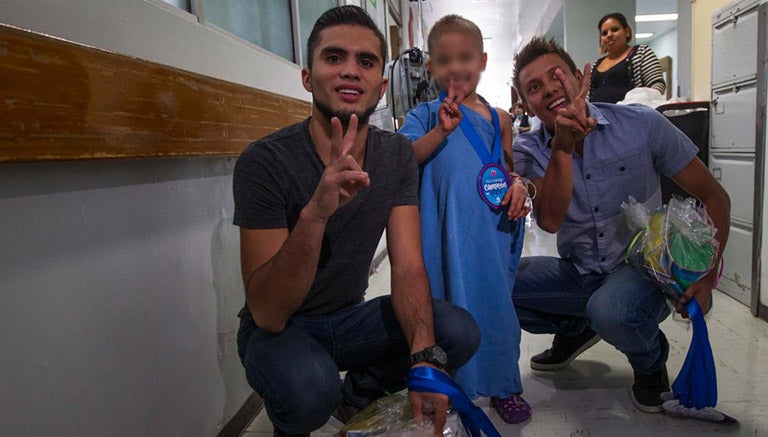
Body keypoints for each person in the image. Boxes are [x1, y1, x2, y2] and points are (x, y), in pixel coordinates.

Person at [233, 6, 480, 436]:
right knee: (309, 390)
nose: (350, 72)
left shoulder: (396, 154)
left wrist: (423, 359)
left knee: (456, 332)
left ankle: (356, 398)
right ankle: (295, 421)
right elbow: (268, 313)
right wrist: (315, 213)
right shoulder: (264, 161)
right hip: (280, 329)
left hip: (348, 320)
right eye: (334, 58)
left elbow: (406, 266)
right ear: (308, 76)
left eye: (365, 62)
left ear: (381, 86)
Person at [511, 37, 730, 413]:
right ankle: (575, 329)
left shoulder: (642, 124)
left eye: (556, 76)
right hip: (579, 272)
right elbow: (548, 222)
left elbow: (715, 197)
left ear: (583, 77)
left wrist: (707, 278)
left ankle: (650, 363)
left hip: (641, 274)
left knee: (612, 310)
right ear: (524, 102)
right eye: (534, 87)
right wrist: (562, 146)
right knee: (499, 283)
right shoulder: (528, 149)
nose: (548, 89)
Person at [398, 15, 533, 424]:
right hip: (443, 230)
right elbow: (406, 160)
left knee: (497, 308)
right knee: (448, 304)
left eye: (465, 57)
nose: (455, 68)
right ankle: (455, 383)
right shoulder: (422, 114)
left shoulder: (499, 119)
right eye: (444, 60)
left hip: (489, 232)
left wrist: (519, 186)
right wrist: (440, 131)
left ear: (483, 60)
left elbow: (507, 170)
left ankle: (505, 384)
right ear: (432, 67)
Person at [589, 12, 666, 103]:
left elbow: (658, 84)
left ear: (627, 32)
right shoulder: (596, 64)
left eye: (615, 29)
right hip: (597, 115)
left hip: (631, 115)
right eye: (604, 33)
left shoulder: (641, 53)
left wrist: (642, 102)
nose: (609, 35)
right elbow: (588, 94)